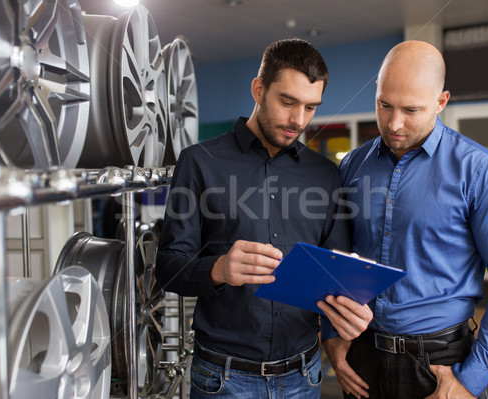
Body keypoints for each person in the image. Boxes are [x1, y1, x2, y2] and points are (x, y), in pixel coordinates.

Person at [322, 40, 488, 399]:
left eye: (411, 109)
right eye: (384, 105)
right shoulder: (353, 165)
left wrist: (471, 380)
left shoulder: (481, 172)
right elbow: (337, 259)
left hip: (441, 365)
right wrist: (332, 339)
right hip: (363, 357)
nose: (393, 123)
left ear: (441, 102)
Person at [156, 38, 373, 398]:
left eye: (310, 107)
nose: (298, 120)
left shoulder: (325, 175)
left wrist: (351, 309)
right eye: (287, 102)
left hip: (304, 378)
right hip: (223, 379)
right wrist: (219, 269)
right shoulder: (198, 162)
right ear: (259, 90)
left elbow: (335, 275)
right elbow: (167, 267)